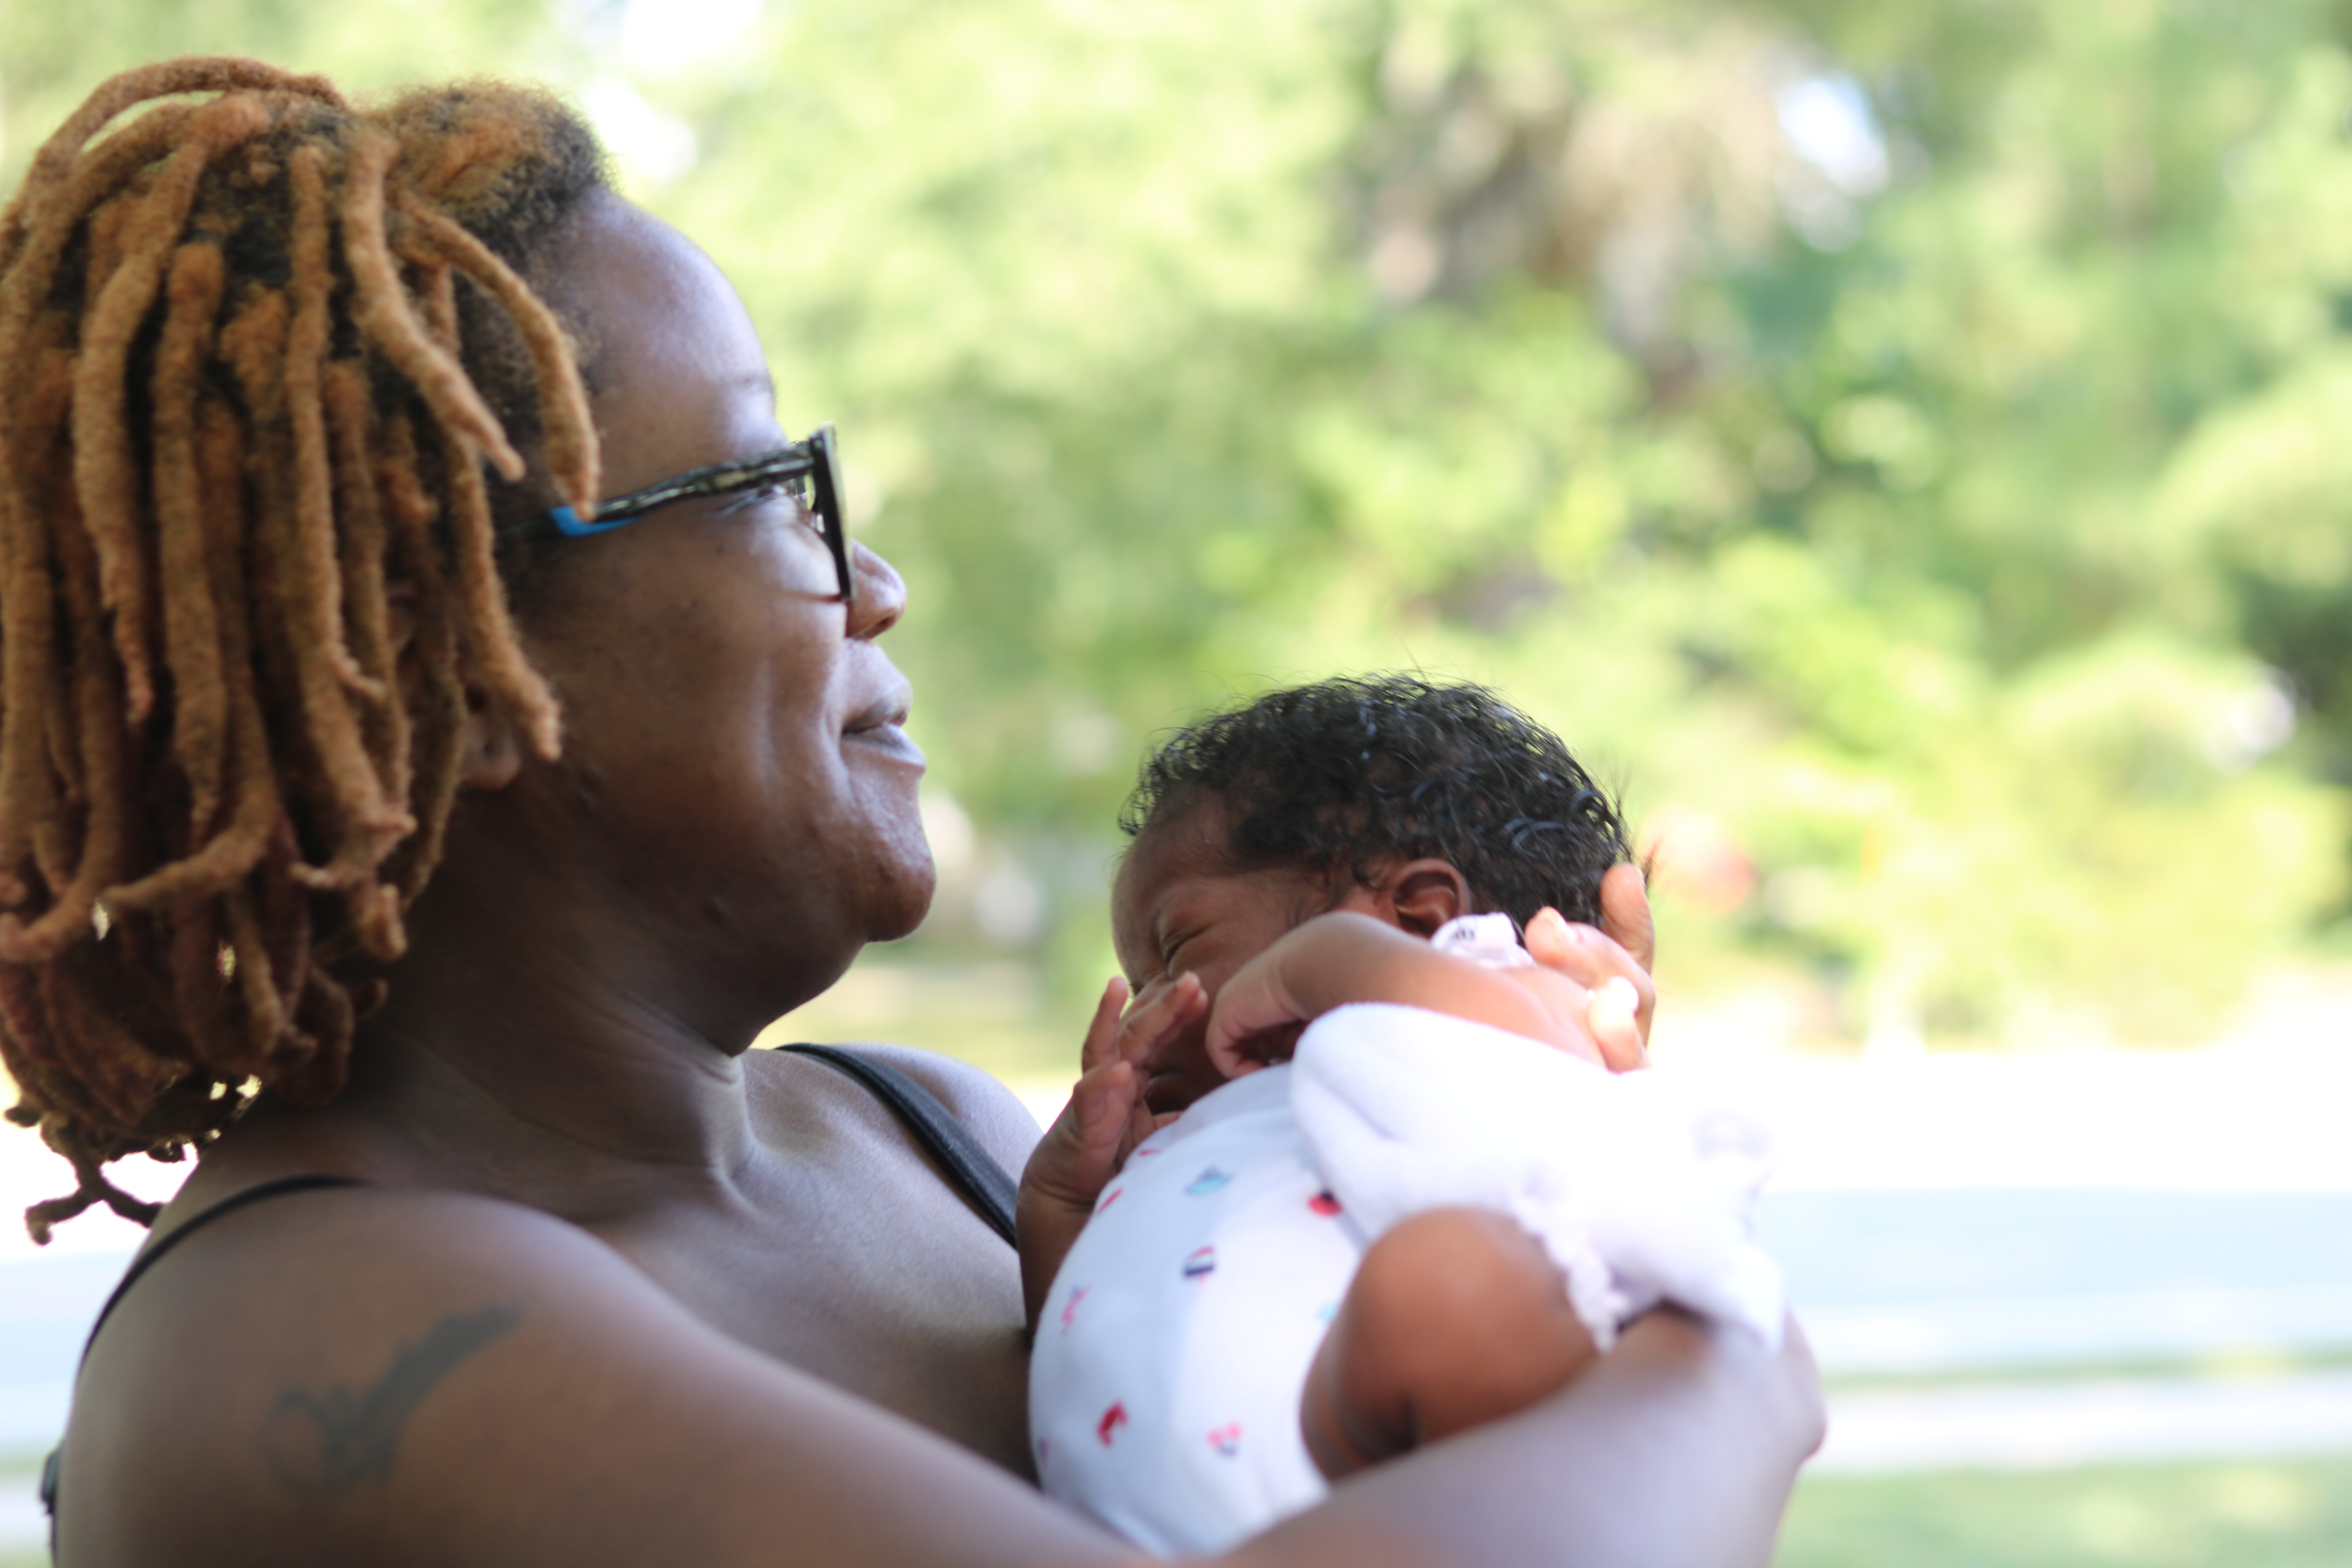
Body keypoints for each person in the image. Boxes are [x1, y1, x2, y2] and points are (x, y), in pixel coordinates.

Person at [0, 59, 1820, 1567]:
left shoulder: (934, 1138)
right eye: (772, 484)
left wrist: (1510, 1138)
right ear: (446, 668)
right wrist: (1716, 1349)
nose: (870, 580)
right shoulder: (314, 1325)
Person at [1020, 678, 1786, 1555]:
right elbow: (1085, 1327)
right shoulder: (1197, 1134)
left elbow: (1553, 1045)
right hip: (1143, 1529)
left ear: (1422, 916)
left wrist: (1337, 964)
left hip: (1356, 1452)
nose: (1143, 1010)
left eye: (1181, 947)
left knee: (1448, 1282)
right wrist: (1064, 1206)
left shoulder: (1470, 987)